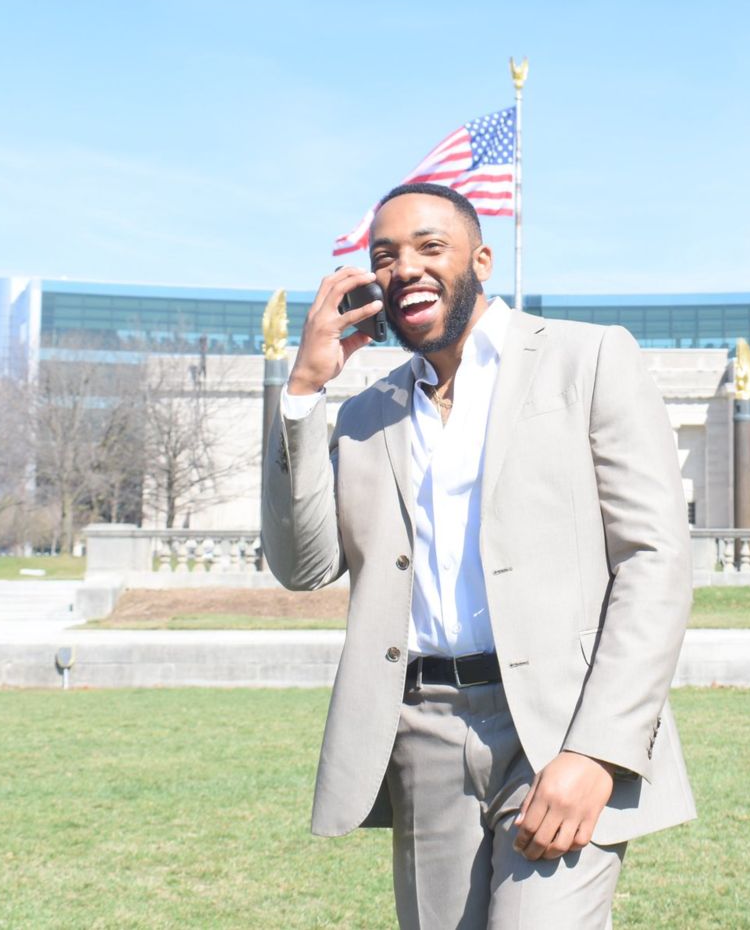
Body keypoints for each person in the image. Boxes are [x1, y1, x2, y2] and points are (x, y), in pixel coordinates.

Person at [262, 182, 695, 928]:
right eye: (386, 257)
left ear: (482, 259)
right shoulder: (367, 416)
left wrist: (598, 751)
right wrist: (304, 390)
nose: (406, 270)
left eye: (431, 247)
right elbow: (302, 566)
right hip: (420, 732)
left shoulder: (587, 360)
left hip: (559, 726)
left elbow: (654, 560)